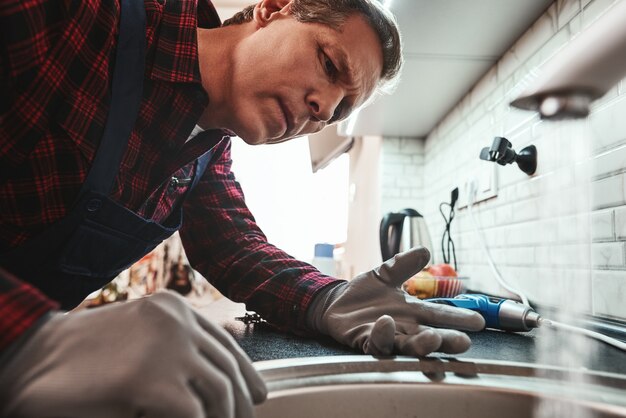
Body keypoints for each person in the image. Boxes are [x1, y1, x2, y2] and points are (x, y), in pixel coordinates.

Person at [0, 0, 485, 416]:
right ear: (275, 8)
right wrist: (25, 339)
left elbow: (235, 248)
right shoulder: (76, 18)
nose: (322, 110)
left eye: (340, 111)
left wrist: (325, 299)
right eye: (330, 65)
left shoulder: (205, 153)